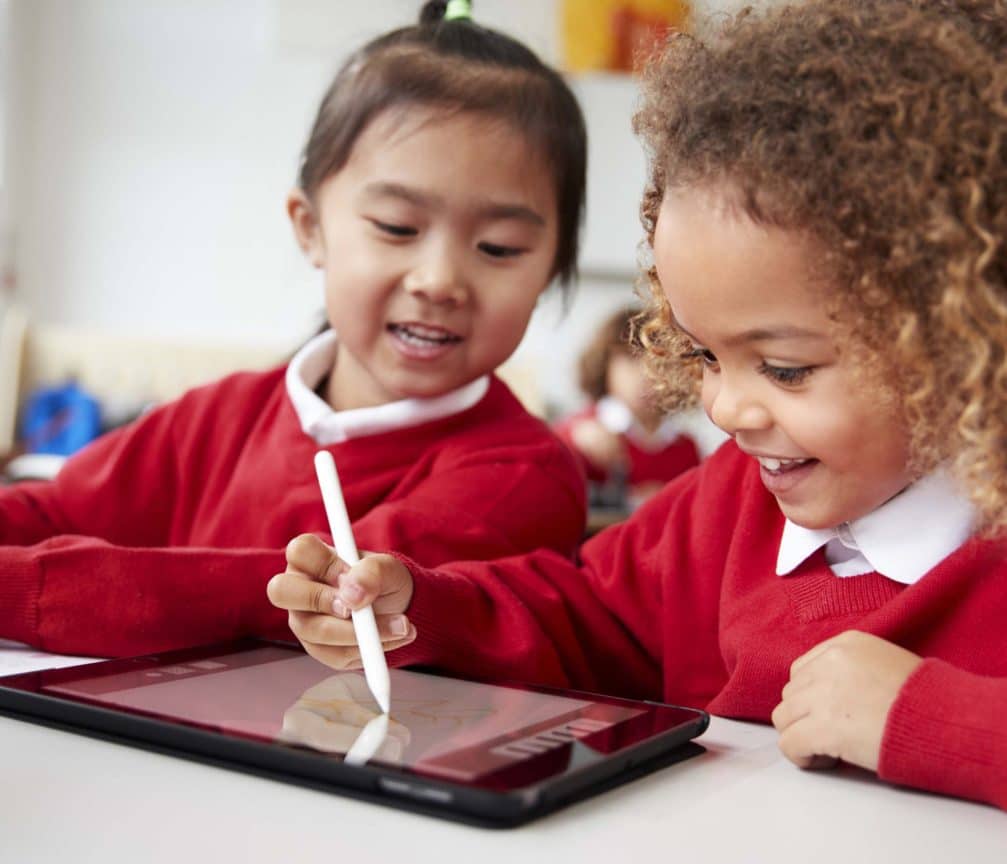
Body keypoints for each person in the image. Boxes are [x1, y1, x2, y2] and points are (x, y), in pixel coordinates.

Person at [268, 0, 1007, 812]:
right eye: (703, 355)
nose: (725, 409)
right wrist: (426, 607)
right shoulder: (728, 501)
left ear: (964, 334)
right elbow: (588, 619)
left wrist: (924, 719)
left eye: (786, 370)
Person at [0, 0, 588, 657]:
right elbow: (51, 512)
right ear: (310, 227)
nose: (438, 279)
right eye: (397, 227)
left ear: (552, 269)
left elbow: (300, 598)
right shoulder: (216, 417)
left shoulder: (522, 476)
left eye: (500, 246)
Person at [554, 304, 699, 507]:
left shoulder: (685, 449)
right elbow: (551, 455)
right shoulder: (584, 430)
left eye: (658, 361)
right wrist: (575, 436)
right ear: (605, 365)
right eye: (631, 359)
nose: (645, 374)